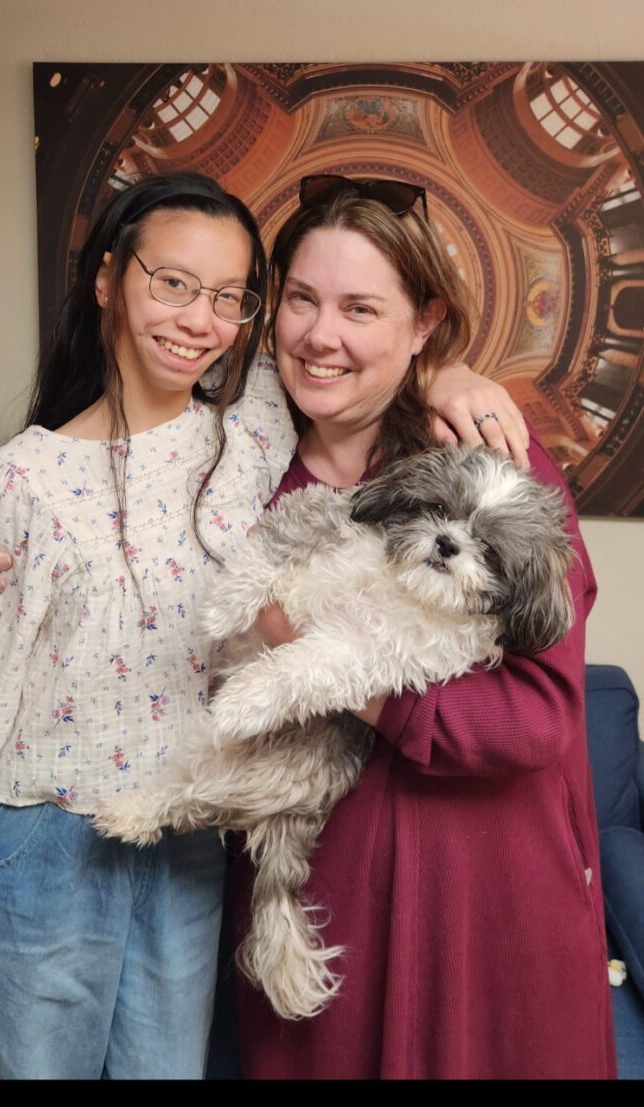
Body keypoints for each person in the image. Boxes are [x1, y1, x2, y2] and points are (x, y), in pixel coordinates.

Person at [0, 171, 530, 1079]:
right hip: (33, 836)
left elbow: (358, 347)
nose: (198, 318)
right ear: (108, 279)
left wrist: (454, 369)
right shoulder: (22, 478)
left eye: (228, 297)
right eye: (171, 283)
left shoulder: (247, 439)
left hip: (186, 840)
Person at [229, 175, 615, 1079]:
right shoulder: (238, 470)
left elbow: (537, 717)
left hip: (490, 903)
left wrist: (328, 665)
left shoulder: (494, 465)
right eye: (301, 300)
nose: (322, 335)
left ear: (425, 324)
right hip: (319, 901)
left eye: (362, 307)